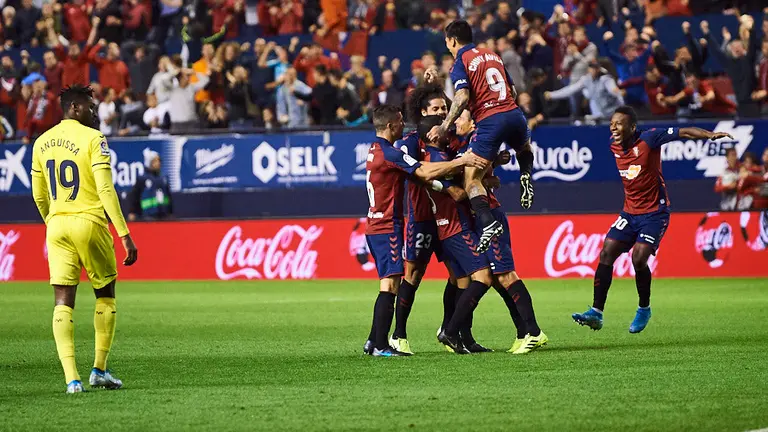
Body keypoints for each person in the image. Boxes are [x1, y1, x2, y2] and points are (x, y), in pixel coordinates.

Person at [572, 106, 732, 334]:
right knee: (607, 251)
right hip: (629, 213)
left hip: (655, 213)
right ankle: (596, 313)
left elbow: (683, 132)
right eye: (612, 123)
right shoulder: (613, 144)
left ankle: (644, 309)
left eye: (619, 123)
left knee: (639, 258)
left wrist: (709, 135)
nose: (614, 127)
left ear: (633, 127)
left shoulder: (649, 138)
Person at [30, 84, 138, 393]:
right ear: (75, 108)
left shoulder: (42, 142)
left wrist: (52, 220)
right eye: (90, 107)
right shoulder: (94, 139)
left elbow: (39, 195)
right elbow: (105, 190)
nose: (94, 112)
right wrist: (124, 234)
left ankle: (71, 380)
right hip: (89, 222)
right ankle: (99, 370)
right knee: (105, 293)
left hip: (57, 224)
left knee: (63, 300)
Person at [362, 104, 486, 357]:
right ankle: (381, 345)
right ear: (390, 126)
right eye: (398, 121)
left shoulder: (374, 150)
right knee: (390, 285)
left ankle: (373, 341)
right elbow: (423, 169)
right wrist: (460, 161)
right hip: (387, 226)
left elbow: (419, 176)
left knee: (392, 282)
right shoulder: (390, 152)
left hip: (376, 224)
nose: (402, 125)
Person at [427, 20, 535, 255]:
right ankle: (525, 174)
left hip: (490, 119)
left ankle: (487, 222)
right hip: (514, 113)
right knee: (524, 147)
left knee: (471, 177)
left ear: (452, 40)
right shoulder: (492, 54)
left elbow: (463, 96)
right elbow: (513, 92)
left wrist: (445, 126)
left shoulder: (460, 62)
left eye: (446, 41)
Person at [128, 152, 173, 221]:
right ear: (149, 163)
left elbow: (169, 197)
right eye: (155, 161)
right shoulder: (142, 179)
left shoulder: (164, 178)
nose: (158, 163)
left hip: (164, 215)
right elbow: (135, 196)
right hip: (148, 215)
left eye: (159, 161)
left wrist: (170, 212)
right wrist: (132, 212)